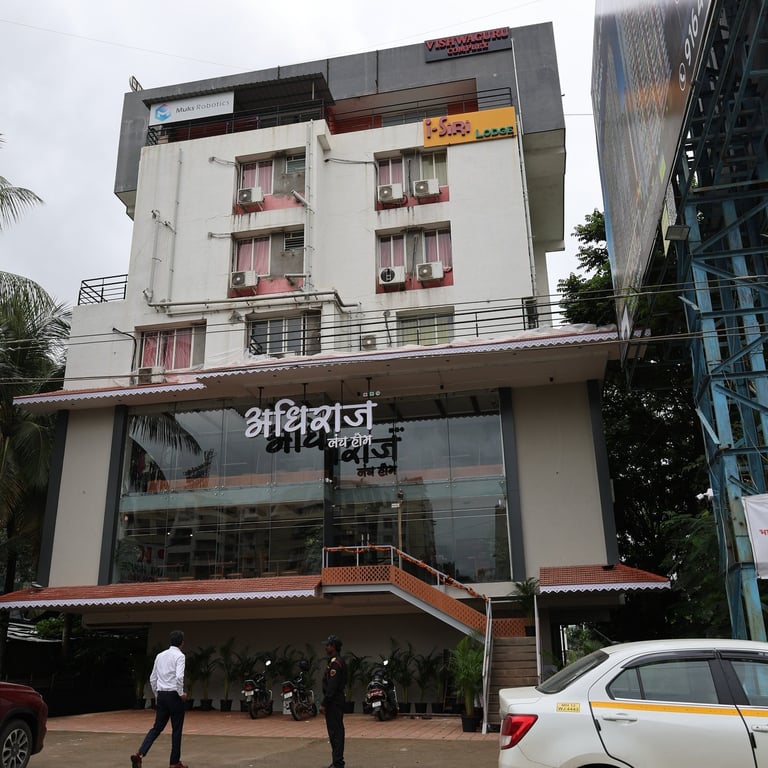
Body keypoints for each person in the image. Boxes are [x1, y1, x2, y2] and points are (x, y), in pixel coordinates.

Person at [131, 630, 188, 768]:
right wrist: (181, 693)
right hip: (174, 696)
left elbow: (153, 678)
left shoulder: (160, 655)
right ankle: (174, 762)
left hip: (162, 695)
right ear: (182, 643)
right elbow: (179, 677)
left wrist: (157, 695)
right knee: (176, 730)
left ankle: (140, 754)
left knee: (157, 728)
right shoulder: (180, 656)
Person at [320, 634, 347, 768]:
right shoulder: (335, 661)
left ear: (334, 647)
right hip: (335, 700)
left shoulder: (336, 663)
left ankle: (338, 763)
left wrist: (324, 703)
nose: (326, 647)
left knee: (335, 732)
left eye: (328, 645)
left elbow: (332, 686)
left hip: (334, 701)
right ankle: (337, 761)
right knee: (335, 731)